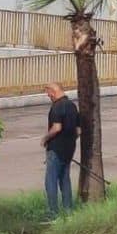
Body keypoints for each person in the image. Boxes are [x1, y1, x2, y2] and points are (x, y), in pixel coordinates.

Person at [42, 83, 80, 218]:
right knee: (65, 180)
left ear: (53, 92)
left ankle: (53, 213)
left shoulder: (57, 107)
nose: (49, 97)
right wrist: (69, 142)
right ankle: (68, 211)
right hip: (69, 149)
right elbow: (78, 130)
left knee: (50, 181)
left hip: (56, 149)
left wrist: (45, 139)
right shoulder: (72, 106)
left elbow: (56, 128)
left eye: (48, 94)